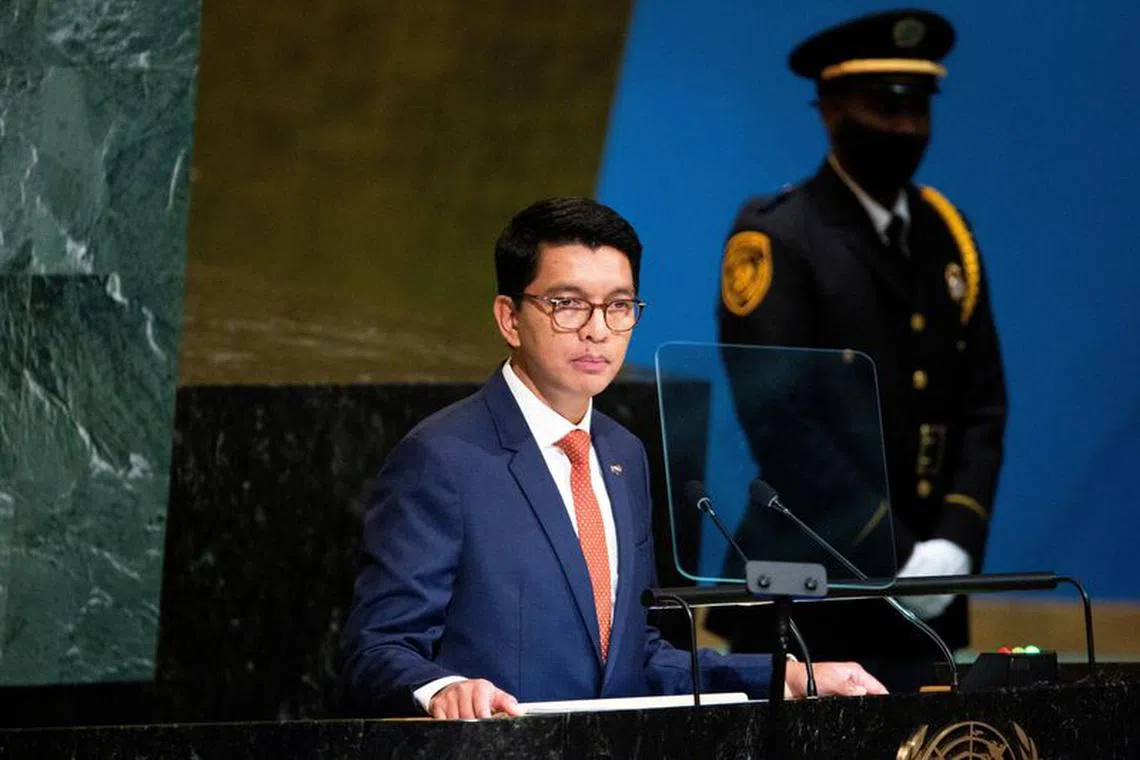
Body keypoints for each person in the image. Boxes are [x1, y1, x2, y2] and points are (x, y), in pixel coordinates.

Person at [341, 196, 886, 718]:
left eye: (619, 306)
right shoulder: (441, 459)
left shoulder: (623, 456)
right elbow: (377, 649)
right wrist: (444, 688)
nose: (597, 329)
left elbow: (640, 658)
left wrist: (786, 676)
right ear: (509, 318)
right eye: (567, 304)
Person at [711, 10, 1008, 691]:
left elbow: (983, 403)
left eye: (918, 109)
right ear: (831, 111)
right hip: (811, 594)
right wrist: (895, 554)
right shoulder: (780, 237)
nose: (904, 127)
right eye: (882, 108)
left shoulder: (945, 232)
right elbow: (780, 421)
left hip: (926, 600)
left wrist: (955, 543)